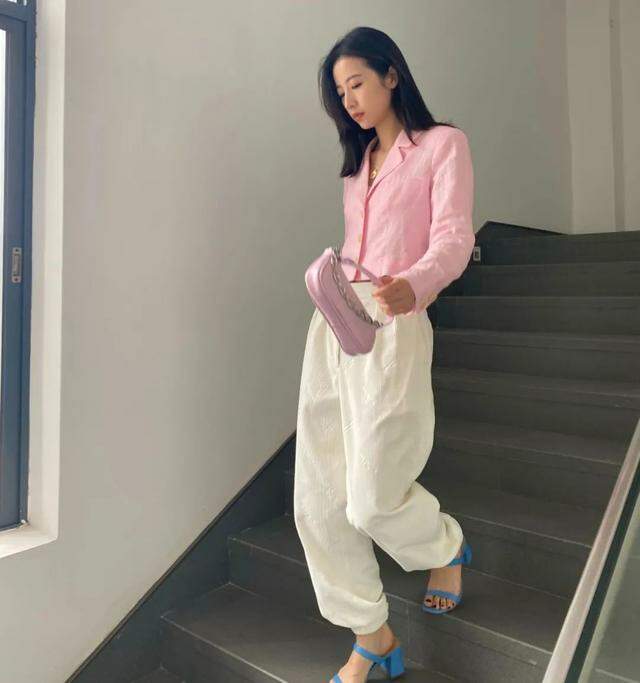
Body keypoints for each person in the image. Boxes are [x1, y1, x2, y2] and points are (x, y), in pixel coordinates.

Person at [293, 26, 475, 683]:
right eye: (340, 93)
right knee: (318, 495)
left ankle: (444, 545)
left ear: (391, 75)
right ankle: (371, 635)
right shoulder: (357, 165)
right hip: (335, 322)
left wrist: (415, 283)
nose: (350, 101)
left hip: (396, 319)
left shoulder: (443, 145)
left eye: (358, 84)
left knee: (369, 498)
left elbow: (453, 237)